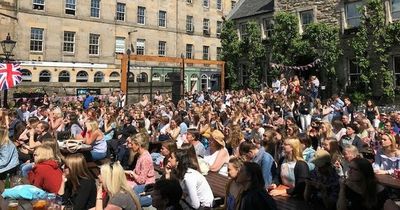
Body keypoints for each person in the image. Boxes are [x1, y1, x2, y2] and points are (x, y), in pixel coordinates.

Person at [126, 133, 155, 207]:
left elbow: (141, 180)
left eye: (132, 144)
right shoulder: (140, 155)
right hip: (138, 182)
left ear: (138, 145)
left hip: (146, 185)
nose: (131, 146)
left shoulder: (145, 158)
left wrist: (132, 173)